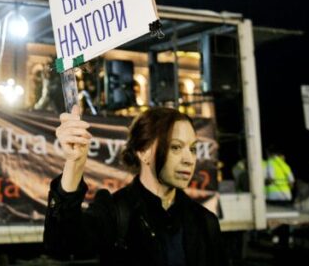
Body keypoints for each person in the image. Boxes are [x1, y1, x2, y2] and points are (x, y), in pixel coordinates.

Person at [44, 105, 227, 265]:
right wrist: (74, 164)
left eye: (193, 149)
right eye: (176, 147)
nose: (189, 159)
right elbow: (62, 245)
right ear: (143, 151)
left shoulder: (205, 221)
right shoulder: (116, 212)